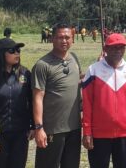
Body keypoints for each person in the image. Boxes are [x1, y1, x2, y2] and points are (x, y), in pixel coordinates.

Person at [82, 33, 126, 168]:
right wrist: (87, 131)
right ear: (105, 48)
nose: (118, 51)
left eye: (121, 48)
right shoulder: (93, 70)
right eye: (114, 48)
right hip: (99, 134)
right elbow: (87, 103)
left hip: (124, 133)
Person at [31, 24, 82, 168]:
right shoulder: (42, 65)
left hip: (74, 128)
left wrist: (100, 64)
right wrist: (39, 128)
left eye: (67, 37)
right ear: (52, 39)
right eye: (60, 37)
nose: (64, 41)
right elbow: (37, 97)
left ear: (72, 39)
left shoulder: (74, 59)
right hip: (52, 129)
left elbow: (76, 81)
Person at [0, 38, 33, 168]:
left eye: (18, 50)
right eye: (12, 51)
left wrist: (33, 126)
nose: (17, 53)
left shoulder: (25, 74)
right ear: (2, 54)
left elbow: (31, 100)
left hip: (20, 132)